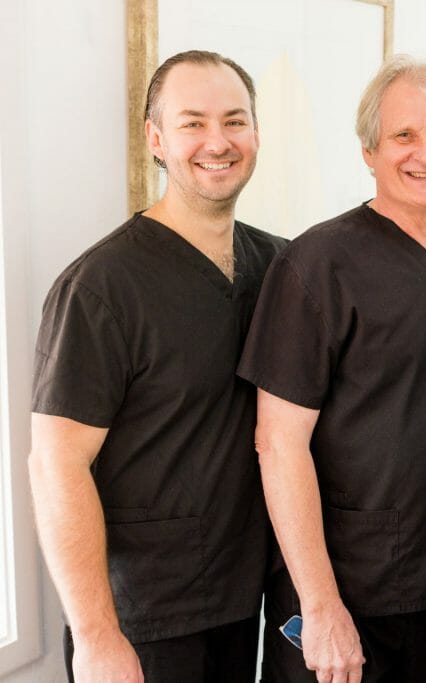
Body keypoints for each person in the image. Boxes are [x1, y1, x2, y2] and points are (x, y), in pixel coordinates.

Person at [236, 55, 426, 682]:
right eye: (404, 135)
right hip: (349, 599)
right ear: (369, 151)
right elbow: (278, 442)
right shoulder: (317, 265)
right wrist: (321, 606)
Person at [28, 50, 286, 682]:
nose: (217, 142)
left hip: (239, 603)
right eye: (192, 122)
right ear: (156, 139)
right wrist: (95, 636)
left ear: (255, 132)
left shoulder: (281, 267)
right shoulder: (100, 288)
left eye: (235, 120)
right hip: (139, 622)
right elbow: (57, 464)